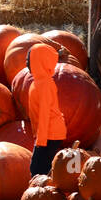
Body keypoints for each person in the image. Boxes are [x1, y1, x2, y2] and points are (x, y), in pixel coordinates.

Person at [27, 42, 70, 175]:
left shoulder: (44, 84)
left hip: (50, 133)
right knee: (42, 168)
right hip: (48, 132)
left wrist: (41, 140)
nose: (27, 62)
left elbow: (44, 113)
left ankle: (42, 193)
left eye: (30, 59)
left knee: (37, 170)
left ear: (40, 62)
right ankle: (44, 191)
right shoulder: (39, 82)